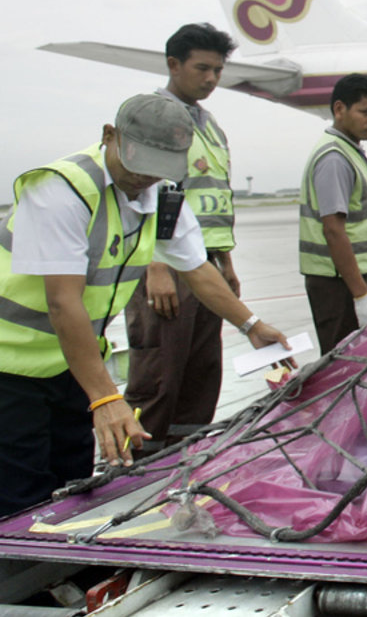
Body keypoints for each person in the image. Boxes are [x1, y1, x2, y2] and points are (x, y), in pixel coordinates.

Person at [0, 94, 289, 517]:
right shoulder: (62, 190)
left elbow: (197, 269)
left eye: (161, 164)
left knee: (71, 484)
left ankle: (62, 576)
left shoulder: (160, 195)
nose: (147, 176)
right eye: (140, 159)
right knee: (20, 490)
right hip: (10, 366)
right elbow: (63, 303)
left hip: (69, 364)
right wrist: (104, 399)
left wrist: (251, 325)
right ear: (110, 137)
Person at [123, 24, 241, 455]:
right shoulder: (154, 117)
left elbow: (214, 197)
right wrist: (154, 263)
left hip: (206, 263)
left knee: (202, 370)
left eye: (218, 70)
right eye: (202, 68)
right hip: (168, 263)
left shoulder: (209, 125)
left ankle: (184, 459)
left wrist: (226, 263)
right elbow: (140, 191)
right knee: (159, 372)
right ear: (174, 65)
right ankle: (134, 465)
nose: (211, 79)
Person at [299, 73, 367, 354]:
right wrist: (360, 295)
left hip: (350, 278)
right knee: (345, 368)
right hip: (338, 284)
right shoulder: (335, 158)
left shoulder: (349, 151)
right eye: (365, 112)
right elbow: (333, 230)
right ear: (339, 109)